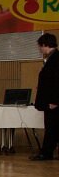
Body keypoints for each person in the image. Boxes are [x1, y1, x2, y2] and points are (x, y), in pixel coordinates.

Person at [30, 33, 59, 161]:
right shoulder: (53, 58)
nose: (39, 49)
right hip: (52, 100)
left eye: (40, 46)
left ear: (44, 45)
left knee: (52, 127)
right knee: (54, 127)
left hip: (53, 101)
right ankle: (47, 152)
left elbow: (57, 81)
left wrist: (55, 101)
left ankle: (46, 153)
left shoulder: (55, 59)